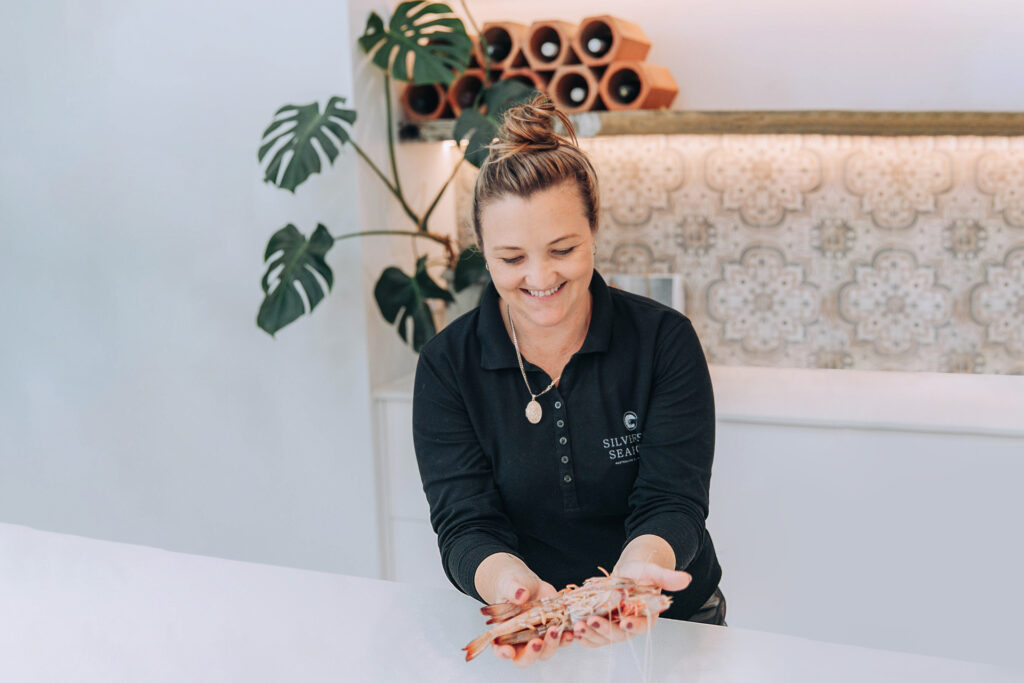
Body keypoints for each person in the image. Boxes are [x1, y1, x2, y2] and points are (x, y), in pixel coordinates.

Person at [412, 93, 723, 667]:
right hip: (532, 629)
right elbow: (464, 522)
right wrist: (510, 585)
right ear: (483, 253)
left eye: (563, 249)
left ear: (594, 230)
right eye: (511, 259)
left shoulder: (663, 341)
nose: (539, 277)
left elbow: (673, 501)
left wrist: (632, 581)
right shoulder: (446, 365)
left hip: (668, 624)